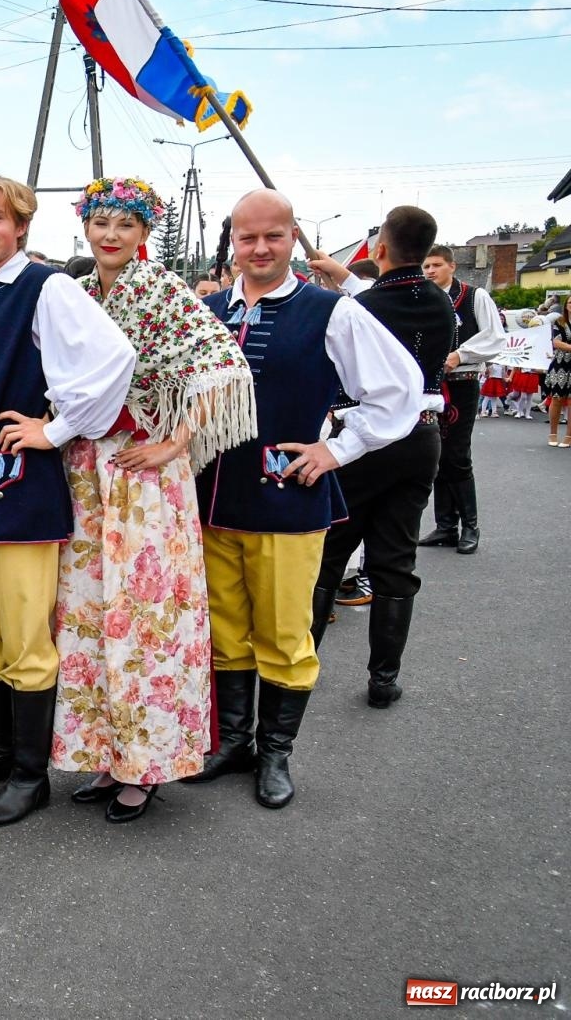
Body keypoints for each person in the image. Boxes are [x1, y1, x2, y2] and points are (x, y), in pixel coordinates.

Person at [184, 189, 422, 809]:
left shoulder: (331, 311)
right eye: (246, 237)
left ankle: (276, 753)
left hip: (287, 499)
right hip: (209, 500)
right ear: (231, 242)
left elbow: (400, 391)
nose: (259, 249)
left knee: (286, 636)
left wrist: (336, 450)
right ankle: (232, 742)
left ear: (293, 238)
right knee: (226, 631)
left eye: (273, 236)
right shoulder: (207, 311)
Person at [0, 175, 135, 829]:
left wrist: (56, 428)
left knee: (25, 641)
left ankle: (29, 774)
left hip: (19, 491)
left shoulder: (48, 288)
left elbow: (113, 358)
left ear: (20, 227)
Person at [57, 177, 256, 823]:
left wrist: (178, 441)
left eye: (125, 223)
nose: (110, 234)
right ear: (86, 227)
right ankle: (101, 754)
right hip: (87, 473)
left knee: (144, 622)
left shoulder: (163, 292)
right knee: (87, 615)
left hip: (143, 481)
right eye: (102, 221)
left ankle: (144, 765)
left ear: (144, 234)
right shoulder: (80, 294)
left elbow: (225, 366)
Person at [305, 206, 454, 709]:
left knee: (330, 551)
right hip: (421, 438)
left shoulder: (363, 309)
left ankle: (303, 663)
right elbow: (373, 297)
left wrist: (336, 276)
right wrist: (339, 272)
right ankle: (384, 678)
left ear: (379, 249)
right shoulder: (443, 303)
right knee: (396, 557)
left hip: (363, 439)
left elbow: (365, 306)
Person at [418, 245, 506, 554]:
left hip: (463, 382)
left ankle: (471, 526)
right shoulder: (424, 300)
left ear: (451, 266)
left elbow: (495, 337)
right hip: (431, 386)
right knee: (437, 454)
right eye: (426, 266)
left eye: (436, 265)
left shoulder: (474, 296)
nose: (430, 271)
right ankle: (445, 526)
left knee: (456, 454)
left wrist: (460, 354)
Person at [545, 310, 571, 445]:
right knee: (556, 398)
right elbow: (556, 342)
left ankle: (568, 437)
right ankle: (553, 434)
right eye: (570, 302)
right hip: (561, 363)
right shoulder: (560, 322)